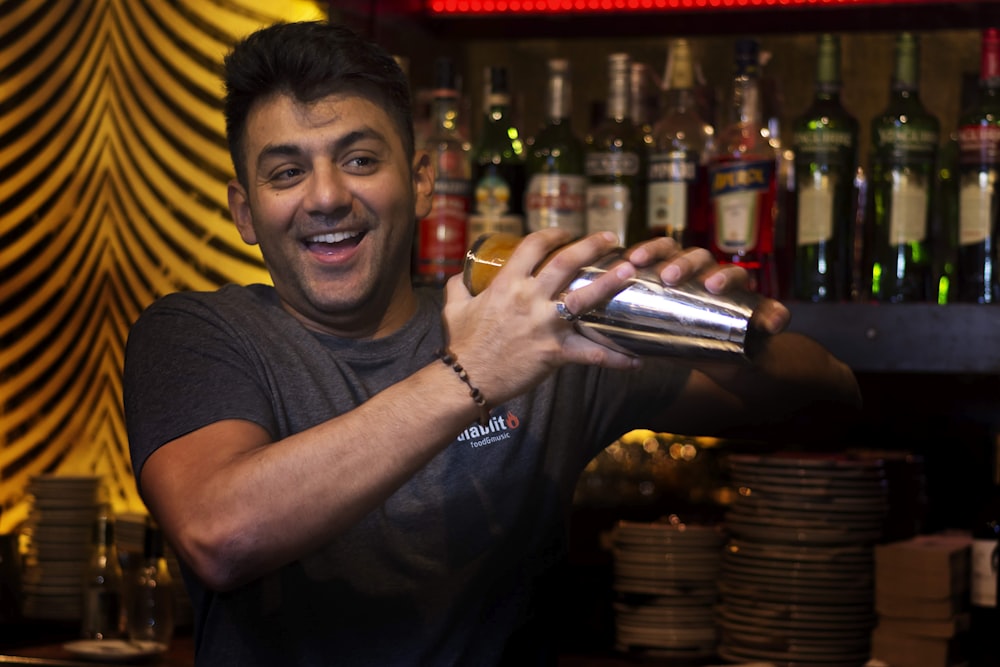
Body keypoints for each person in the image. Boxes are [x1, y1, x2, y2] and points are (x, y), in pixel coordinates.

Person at [122, 20, 861, 666]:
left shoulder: (540, 327)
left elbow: (829, 393)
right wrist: (470, 370)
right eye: (287, 172)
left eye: (359, 160)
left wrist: (714, 325)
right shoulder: (200, 334)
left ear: (419, 182)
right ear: (246, 212)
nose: (324, 196)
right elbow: (220, 532)